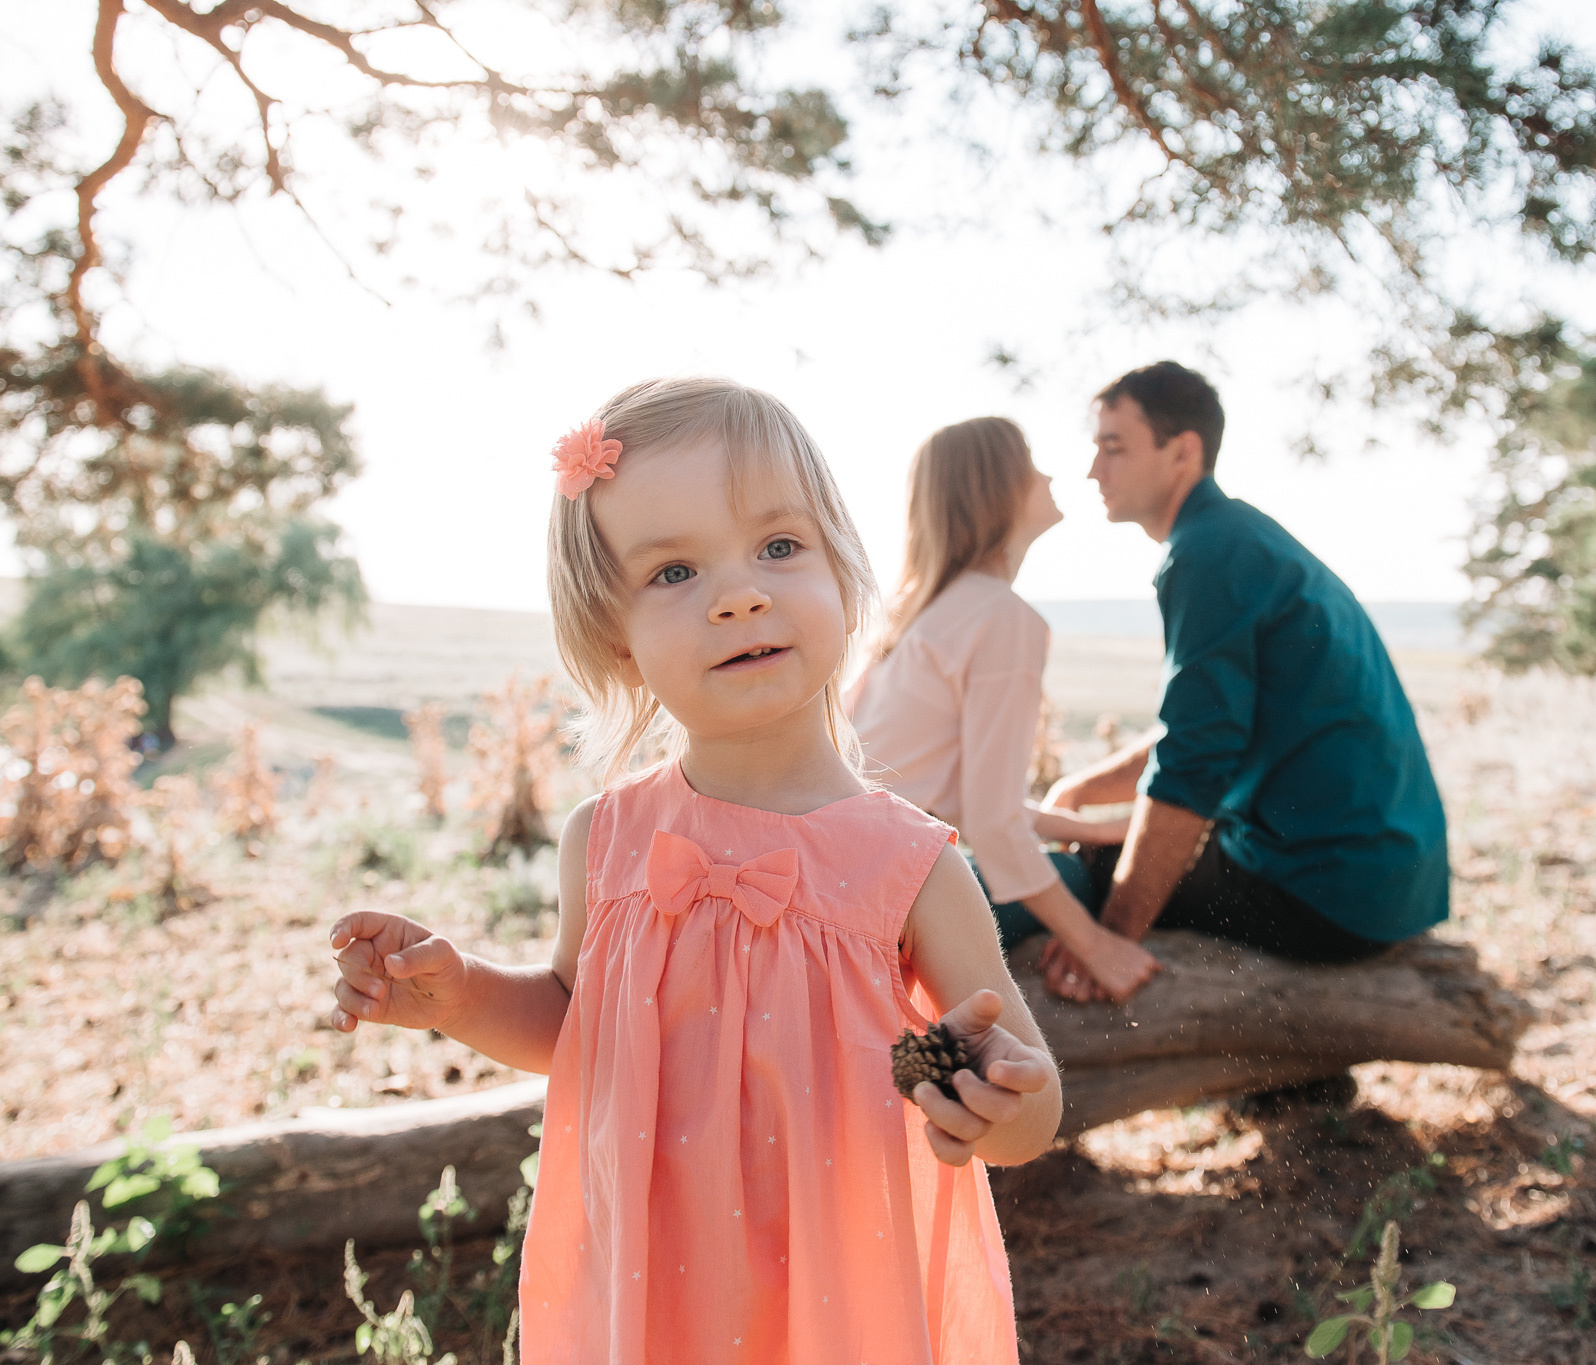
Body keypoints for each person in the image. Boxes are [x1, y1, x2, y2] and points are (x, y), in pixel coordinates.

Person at [327, 378, 1059, 1364]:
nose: (739, 592)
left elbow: (998, 1082)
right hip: (647, 1272)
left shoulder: (904, 861)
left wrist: (988, 1099)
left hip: (839, 1276)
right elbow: (577, 1021)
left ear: (845, 577)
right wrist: (458, 995)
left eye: (779, 547)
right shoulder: (610, 837)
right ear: (612, 638)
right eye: (673, 571)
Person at [1039, 361, 1449, 1000]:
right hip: (1392, 884)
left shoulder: (1208, 554)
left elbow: (1193, 764)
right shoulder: (1234, 538)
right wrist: (1084, 789)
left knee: (1088, 872)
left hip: (1332, 896)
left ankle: (1288, 1069)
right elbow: (1208, 729)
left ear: (1183, 452)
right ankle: (1301, 1079)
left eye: (1113, 447)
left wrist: (1110, 938)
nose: (1094, 470)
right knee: (1122, 836)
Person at [848, 417, 1162, 1003]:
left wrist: (1090, 827)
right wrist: (1098, 947)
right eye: (1031, 463)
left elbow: (952, 797)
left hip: (855, 883)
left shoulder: (923, 613)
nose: (1047, 475)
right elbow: (992, 825)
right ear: (998, 489)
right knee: (1075, 876)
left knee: (1069, 856)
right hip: (891, 907)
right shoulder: (1001, 620)